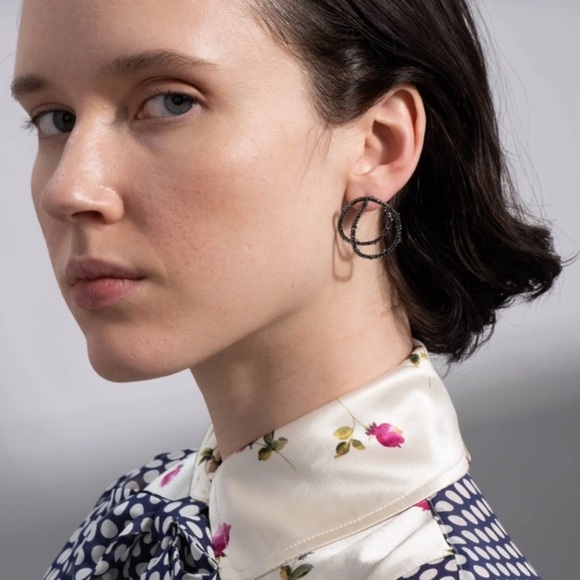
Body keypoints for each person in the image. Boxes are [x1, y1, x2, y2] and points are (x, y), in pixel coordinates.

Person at [11, 0, 562, 578]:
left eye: (172, 101)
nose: (68, 189)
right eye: (56, 119)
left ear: (380, 144)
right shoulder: (136, 528)